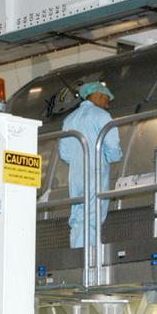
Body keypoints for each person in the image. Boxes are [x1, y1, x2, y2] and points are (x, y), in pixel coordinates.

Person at [58, 82, 122, 248]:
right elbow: (114, 149)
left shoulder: (69, 119)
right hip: (95, 173)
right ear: (99, 95)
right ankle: (89, 258)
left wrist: (78, 160)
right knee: (93, 216)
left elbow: (64, 153)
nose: (107, 105)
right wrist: (110, 157)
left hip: (76, 175)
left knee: (78, 213)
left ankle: (77, 251)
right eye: (107, 100)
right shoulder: (102, 116)